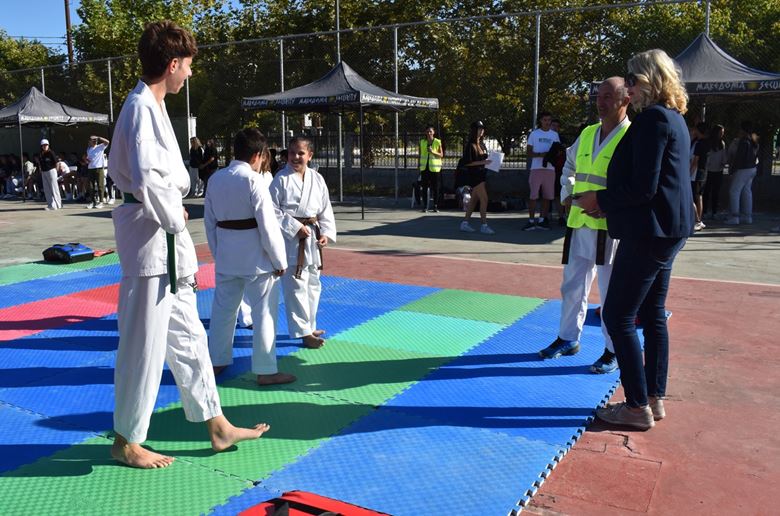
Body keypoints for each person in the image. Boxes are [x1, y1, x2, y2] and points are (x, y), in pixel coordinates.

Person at [107, 20, 268, 469]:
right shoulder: (140, 107)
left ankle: (216, 424)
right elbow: (147, 180)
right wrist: (175, 216)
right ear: (173, 64)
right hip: (150, 238)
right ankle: (126, 440)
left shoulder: (153, 106)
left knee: (190, 338)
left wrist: (175, 222)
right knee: (142, 345)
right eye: (189, 65)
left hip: (167, 242)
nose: (191, 74)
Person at [577, 49, 694, 430]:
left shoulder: (652, 120)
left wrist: (601, 201)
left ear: (647, 80)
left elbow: (645, 186)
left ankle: (635, 405)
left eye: (631, 80)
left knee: (617, 315)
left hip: (649, 231)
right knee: (653, 313)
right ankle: (653, 398)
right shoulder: (674, 118)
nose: (628, 87)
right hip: (669, 229)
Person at [538, 77, 630, 375]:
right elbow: (569, 166)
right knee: (572, 284)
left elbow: (635, 183)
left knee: (611, 290)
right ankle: (568, 337)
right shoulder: (588, 133)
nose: (601, 102)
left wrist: (610, 204)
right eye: (598, 96)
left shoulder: (631, 136)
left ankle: (613, 349)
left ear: (625, 100)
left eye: (608, 96)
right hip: (579, 220)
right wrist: (567, 194)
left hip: (610, 225)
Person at [205, 128, 292, 386]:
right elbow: (268, 226)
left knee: (222, 313)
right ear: (257, 155)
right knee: (264, 314)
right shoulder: (254, 181)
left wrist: (218, 253)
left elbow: (210, 223)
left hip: (226, 258)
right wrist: (279, 261)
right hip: (257, 262)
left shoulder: (216, 179)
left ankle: (216, 360)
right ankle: (266, 370)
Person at [269, 137, 337, 349]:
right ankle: (303, 332)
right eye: (292, 153)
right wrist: (294, 227)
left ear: (310, 155)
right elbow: (270, 210)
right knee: (296, 285)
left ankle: (310, 325)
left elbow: (325, 209)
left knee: (313, 284)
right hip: (292, 240)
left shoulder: (317, 179)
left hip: (312, 237)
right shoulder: (280, 179)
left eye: (301, 153)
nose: (296, 157)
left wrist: (326, 233)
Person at [524, 111, 560, 230]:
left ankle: (542, 220)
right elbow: (529, 152)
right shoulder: (534, 134)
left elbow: (558, 151)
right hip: (536, 168)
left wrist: (551, 155)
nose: (547, 122)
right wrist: (541, 155)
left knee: (547, 196)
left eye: (549, 120)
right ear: (540, 121)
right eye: (545, 120)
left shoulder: (554, 135)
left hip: (550, 169)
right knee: (533, 196)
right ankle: (531, 220)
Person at [459, 120, 494, 234]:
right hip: (475, 176)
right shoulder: (470, 145)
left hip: (482, 174)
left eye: (482, 129)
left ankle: (464, 223)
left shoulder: (482, 144)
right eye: (479, 129)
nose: (481, 131)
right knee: (484, 199)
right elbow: (467, 163)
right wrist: (483, 162)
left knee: (473, 200)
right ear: (474, 130)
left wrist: (492, 159)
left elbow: (484, 158)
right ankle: (484, 225)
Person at [725, 120, 759, 225]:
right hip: (752, 168)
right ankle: (747, 216)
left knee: (734, 191)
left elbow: (739, 158)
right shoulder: (753, 140)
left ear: (742, 130)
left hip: (743, 169)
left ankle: (734, 217)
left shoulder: (743, 141)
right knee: (746, 191)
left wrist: (732, 170)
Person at [702, 124, 728, 220]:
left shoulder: (722, 143)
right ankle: (704, 211)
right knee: (706, 191)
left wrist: (723, 163)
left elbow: (724, 157)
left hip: (718, 170)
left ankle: (714, 212)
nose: (722, 134)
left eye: (723, 133)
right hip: (708, 170)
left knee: (716, 192)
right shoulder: (708, 142)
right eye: (720, 132)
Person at [418, 125, 444, 212]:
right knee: (424, 188)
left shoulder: (437, 142)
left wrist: (433, 152)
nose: (429, 133)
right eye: (427, 131)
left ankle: (435, 206)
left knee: (435, 188)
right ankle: (425, 206)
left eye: (430, 131)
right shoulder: (422, 142)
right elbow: (420, 154)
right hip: (424, 168)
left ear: (433, 132)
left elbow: (441, 155)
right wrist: (419, 165)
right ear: (425, 133)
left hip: (434, 168)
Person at [690, 122, 708, 231]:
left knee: (694, 196)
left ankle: (698, 220)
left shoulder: (700, 143)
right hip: (701, 171)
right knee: (698, 196)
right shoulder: (700, 142)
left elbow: (695, 161)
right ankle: (698, 219)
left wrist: (689, 172)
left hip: (696, 172)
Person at [86, 135, 110, 208]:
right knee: (91, 186)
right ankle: (92, 202)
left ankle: (101, 202)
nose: (94, 141)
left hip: (99, 168)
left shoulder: (100, 146)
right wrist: (87, 160)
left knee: (100, 185)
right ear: (89, 141)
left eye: (95, 140)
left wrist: (99, 137)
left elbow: (107, 142)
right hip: (90, 168)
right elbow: (89, 159)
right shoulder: (89, 149)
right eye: (92, 140)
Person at [39, 139, 61, 210]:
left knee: (54, 188)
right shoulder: (41, 154)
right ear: (41, 146)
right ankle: (51, 205)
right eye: (43, 145)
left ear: (48, 145)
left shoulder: (51, 153)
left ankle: (58, 204)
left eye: (46, 145)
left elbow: (57, 163)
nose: (45, 146)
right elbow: (40, 163)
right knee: (47, 189)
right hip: (44, 172)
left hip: (51, 171)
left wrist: (56, 172)